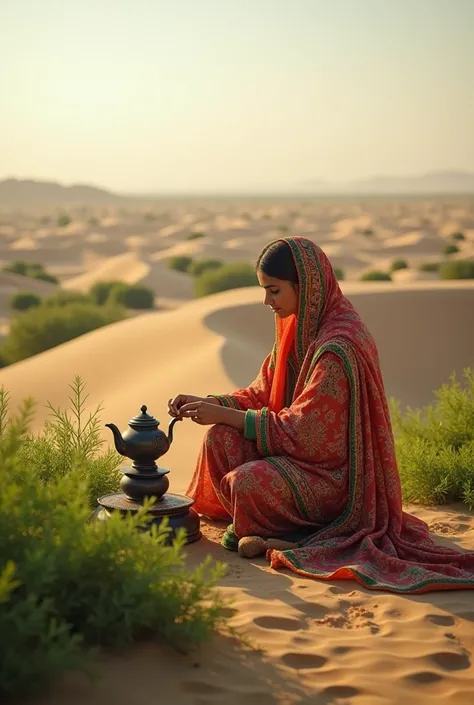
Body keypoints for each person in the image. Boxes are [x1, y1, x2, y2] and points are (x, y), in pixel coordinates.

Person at [168, 236, 474, 593]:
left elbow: (307, 435)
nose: (267, 301)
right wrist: (208, 403)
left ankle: (298, 536)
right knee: (218, 438)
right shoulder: (299, 330)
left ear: (306, 287)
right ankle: (271, 532)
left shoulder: (337, 348)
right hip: (296, 460)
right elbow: (261, 393)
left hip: (335, 480)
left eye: (274, 291)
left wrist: (224, 414)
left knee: (247, 483)